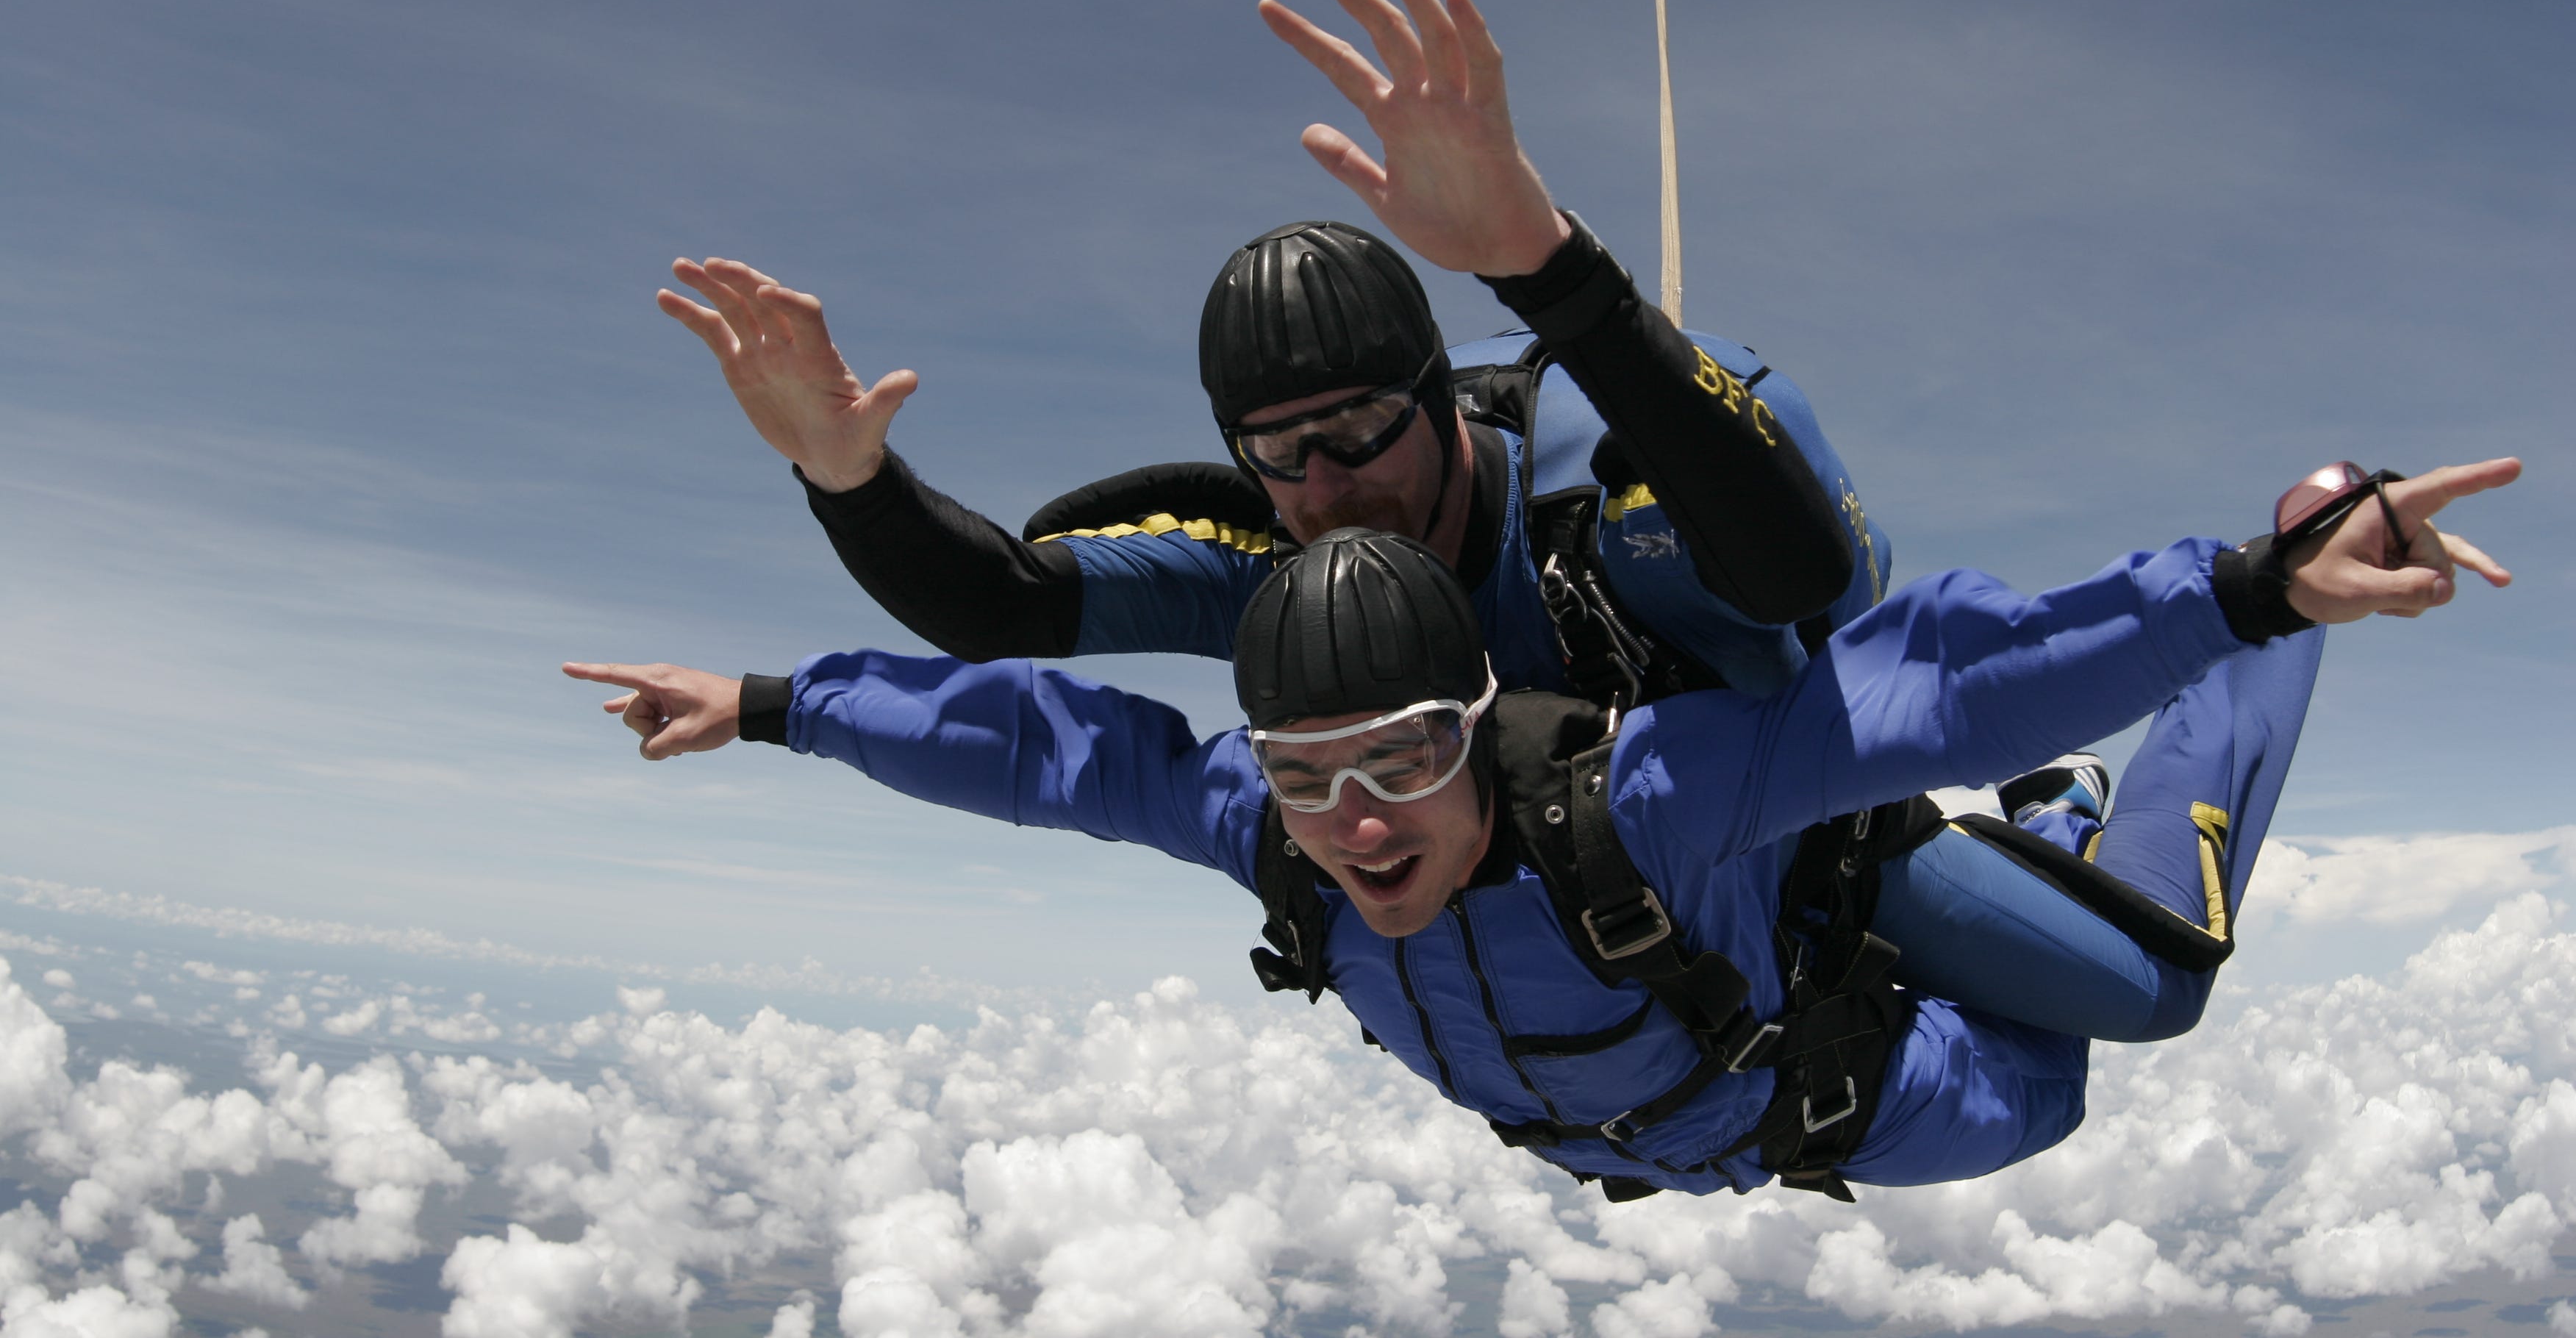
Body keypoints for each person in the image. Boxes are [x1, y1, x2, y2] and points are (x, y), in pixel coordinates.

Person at [563, 457, 2519, 1199]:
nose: (1355, 826)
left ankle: (2098, 796)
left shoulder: (1635, 802)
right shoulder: (1275, 827)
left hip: (1858, 1086)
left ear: (1478, 734)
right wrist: (776, 704)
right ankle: (2032, 829)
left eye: (1401, 760)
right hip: (1759, 1130)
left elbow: (1939, 682)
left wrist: (2251, 589)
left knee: (2126, 1018)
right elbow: (1049, 749)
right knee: (2063, 1062)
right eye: (1306, 773)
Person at [654, 0, 1890, 710]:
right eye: (1278, 451)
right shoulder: (1279, 561)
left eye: (1361, 426)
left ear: (1435, 396)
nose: (1327, 485)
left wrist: (1548, 270)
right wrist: (849, 481)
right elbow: (1004, 611)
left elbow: (1800, 573)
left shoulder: (1598, 487)